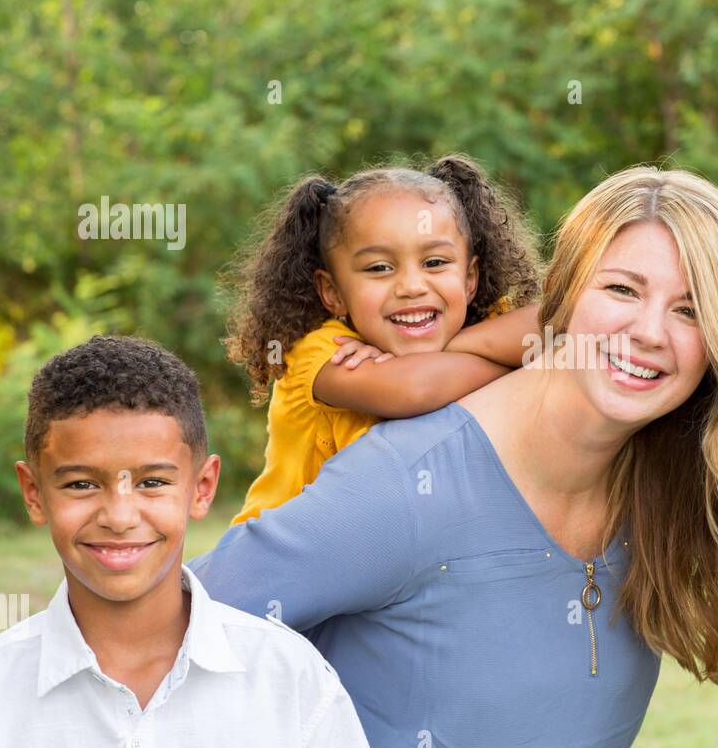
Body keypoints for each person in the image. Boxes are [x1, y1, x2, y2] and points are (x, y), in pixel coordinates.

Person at [191, 166, 718, 748]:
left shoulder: (669, 480)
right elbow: (158, 628)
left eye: (691, 310)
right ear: (559, 297)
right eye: (621, 290)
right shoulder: (407, 481)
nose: (648, 332)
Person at [0, 336, 384, 748]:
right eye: (82, 485)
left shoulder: (291, 681)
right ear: (34, 493)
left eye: (151, 482)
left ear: (202, 488)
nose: (120, 518)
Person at [223, 154, 542, 524]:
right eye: (379, 268)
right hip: (277, 566)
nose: (411, 286)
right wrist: (510, 363)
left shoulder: (471, 330)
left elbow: (554, 324)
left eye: (435, 262)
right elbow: (416, 388)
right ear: (333, 292)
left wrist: (459, 347)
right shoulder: (318, 351)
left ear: (470, 278)